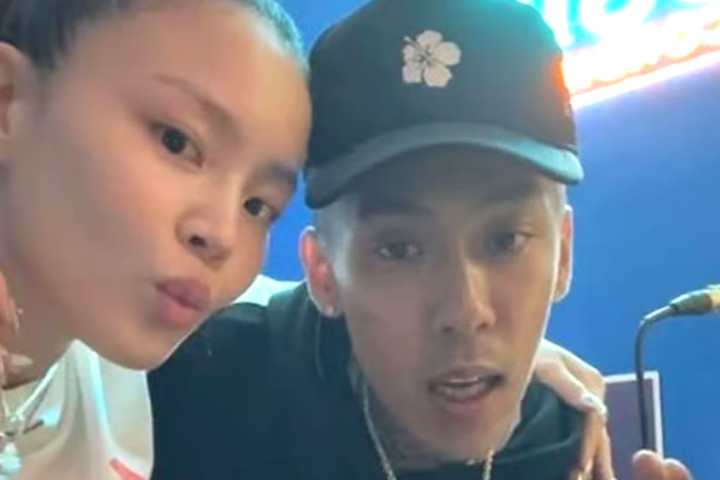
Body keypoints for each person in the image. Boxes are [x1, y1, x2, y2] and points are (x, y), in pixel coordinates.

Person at [149, 1, 693, 479]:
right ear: (323, 273)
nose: (465, 310)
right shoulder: (197, 398)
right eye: (399, 250)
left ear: (564, 255)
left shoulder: (566, 447)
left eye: (505, 240)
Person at [0, 0, 310, 478]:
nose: (223, 235)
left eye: (258, 206)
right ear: (8, 101)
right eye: (176, 142)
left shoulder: (126, 364)